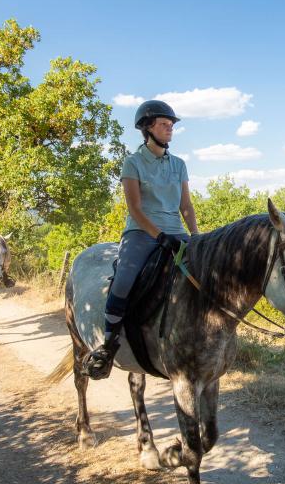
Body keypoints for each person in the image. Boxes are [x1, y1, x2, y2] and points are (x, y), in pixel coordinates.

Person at [83, 100, 199, 380]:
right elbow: (134, 207)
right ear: (147, 128)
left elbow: (186, 206)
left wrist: (196, 237)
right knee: (123, 280)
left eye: (171, 125)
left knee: (207, 275)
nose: (170, 128)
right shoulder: (132, 163)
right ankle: (108, 346)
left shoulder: (179, 165)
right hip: (141, 232)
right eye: (164, 124)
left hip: (176, 231)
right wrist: (158, 236)